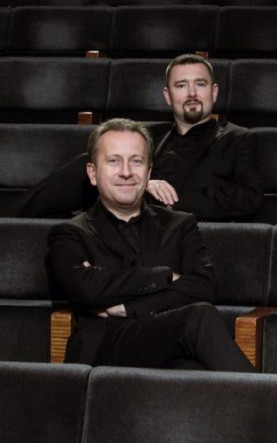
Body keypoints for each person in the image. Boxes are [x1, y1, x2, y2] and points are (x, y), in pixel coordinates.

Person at [47, 118, 254, 372]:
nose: (126, 172)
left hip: (164, 340)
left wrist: (129, 307)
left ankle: (264, 397)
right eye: (114, 161)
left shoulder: (179, 224)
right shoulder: (70, 233)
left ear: (148, 172)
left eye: (136, 161)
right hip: (104, 347)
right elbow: (87, 289)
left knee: (193, 370)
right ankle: (269, 396)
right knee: (199, 317)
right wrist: (164, 276)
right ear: (92, 173)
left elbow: (203, 286)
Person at [18, 54, 263, 222]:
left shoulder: (238, 138)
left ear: (214, 92)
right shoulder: (148, 135)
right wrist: (143, 184)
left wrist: (164, 199)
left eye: (200, 84)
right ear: (168, 96)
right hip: (119, 214)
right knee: (87, 164)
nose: (192, 93)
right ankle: (14, 224)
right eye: (181, 86)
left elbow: (247, 199)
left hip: (171, 227)